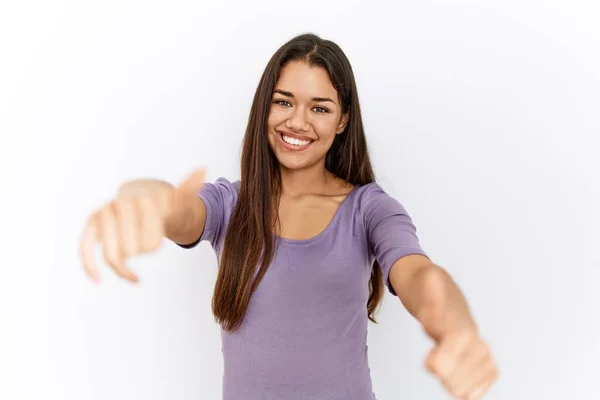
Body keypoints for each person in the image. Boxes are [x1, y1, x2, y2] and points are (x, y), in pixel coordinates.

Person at [80, 33, 498, 400]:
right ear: (265, 107)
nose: (297, 122)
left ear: (343, 120)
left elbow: (418, 275)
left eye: (320, 108)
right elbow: (180, 209)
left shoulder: (369, 208)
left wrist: (454, 326)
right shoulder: (231, 203)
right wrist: (147, 200)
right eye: (284, 102)